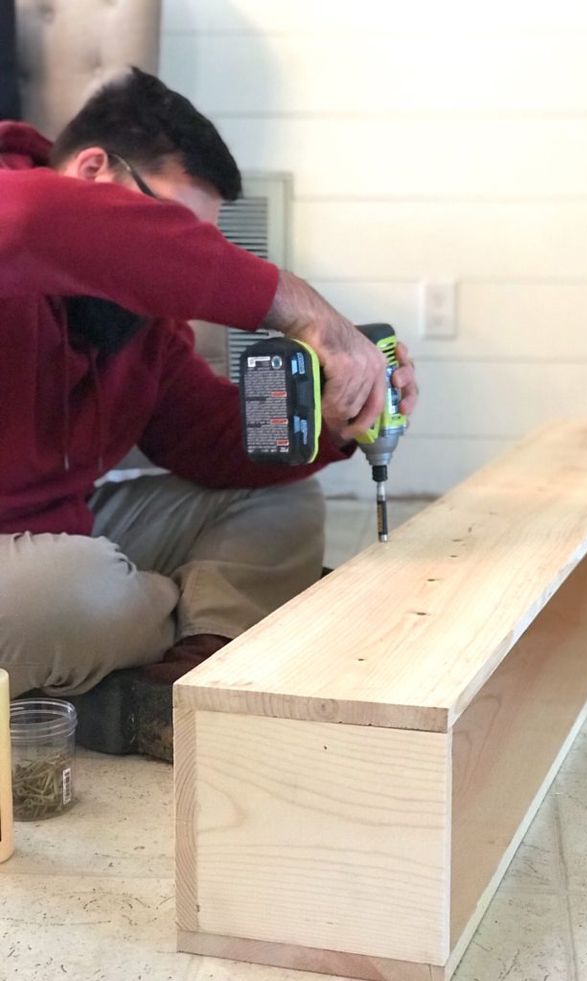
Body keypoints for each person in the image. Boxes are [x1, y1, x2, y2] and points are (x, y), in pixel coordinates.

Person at [0, 68, 418, 748]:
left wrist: (336, 418)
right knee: (78, 591)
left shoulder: (142, 330)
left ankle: (185, 678)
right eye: (166, 232)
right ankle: (162, 618)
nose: (171, 274)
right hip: (47, 575)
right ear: (91, 169)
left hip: (65, 534)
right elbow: (29, 223)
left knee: (283, 503)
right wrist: (301, 307)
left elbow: (218, 443)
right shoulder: (11, 206)